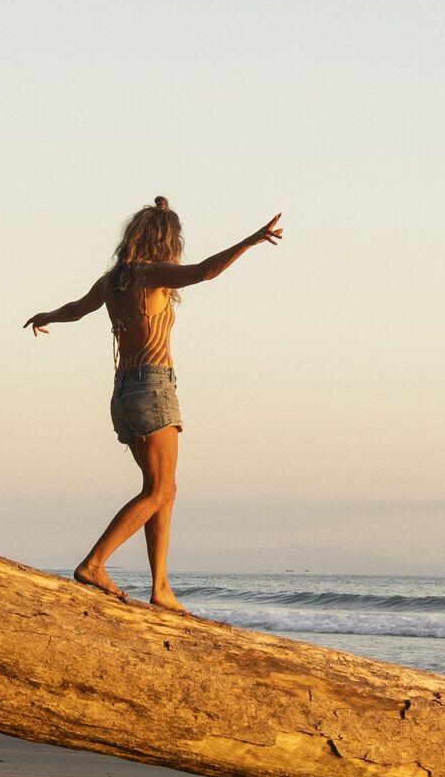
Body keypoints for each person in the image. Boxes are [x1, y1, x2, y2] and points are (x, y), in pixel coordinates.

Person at [24, 195, 282, 609]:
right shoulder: (153, 275)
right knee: (160, 489)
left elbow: (77, 310)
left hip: (123, 393)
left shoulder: (113, 282)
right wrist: (249, 241)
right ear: (166, 241)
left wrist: (46, 316)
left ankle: (160, 587)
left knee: (162, 489)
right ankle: (94, 563)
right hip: (153, 388)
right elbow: (204, 272)